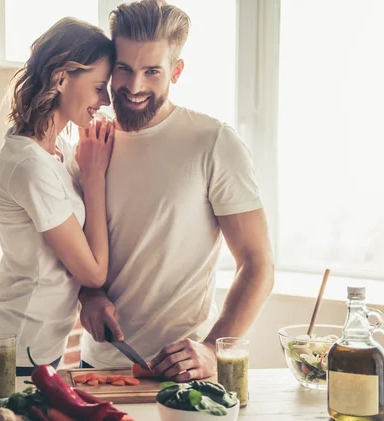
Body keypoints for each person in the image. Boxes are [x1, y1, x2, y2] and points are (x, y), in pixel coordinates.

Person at [77, 0, 275, 381]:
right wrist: (90, 295)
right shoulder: (90, 143)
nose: (135, 86)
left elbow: (258, 264)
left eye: (152, 71)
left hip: (182, 371)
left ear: (177, 71)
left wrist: (213, 350)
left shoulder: (213, 142)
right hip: (99, 367)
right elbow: (79, 251)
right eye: (124, 68)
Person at [0, 17, 116, 377]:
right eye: (99, 86)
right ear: (61, 78)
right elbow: (93, 272)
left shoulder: (62, 150)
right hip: (16, 354)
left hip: (42, 350)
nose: (105, 100)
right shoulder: (29, 165)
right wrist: (94, 175)